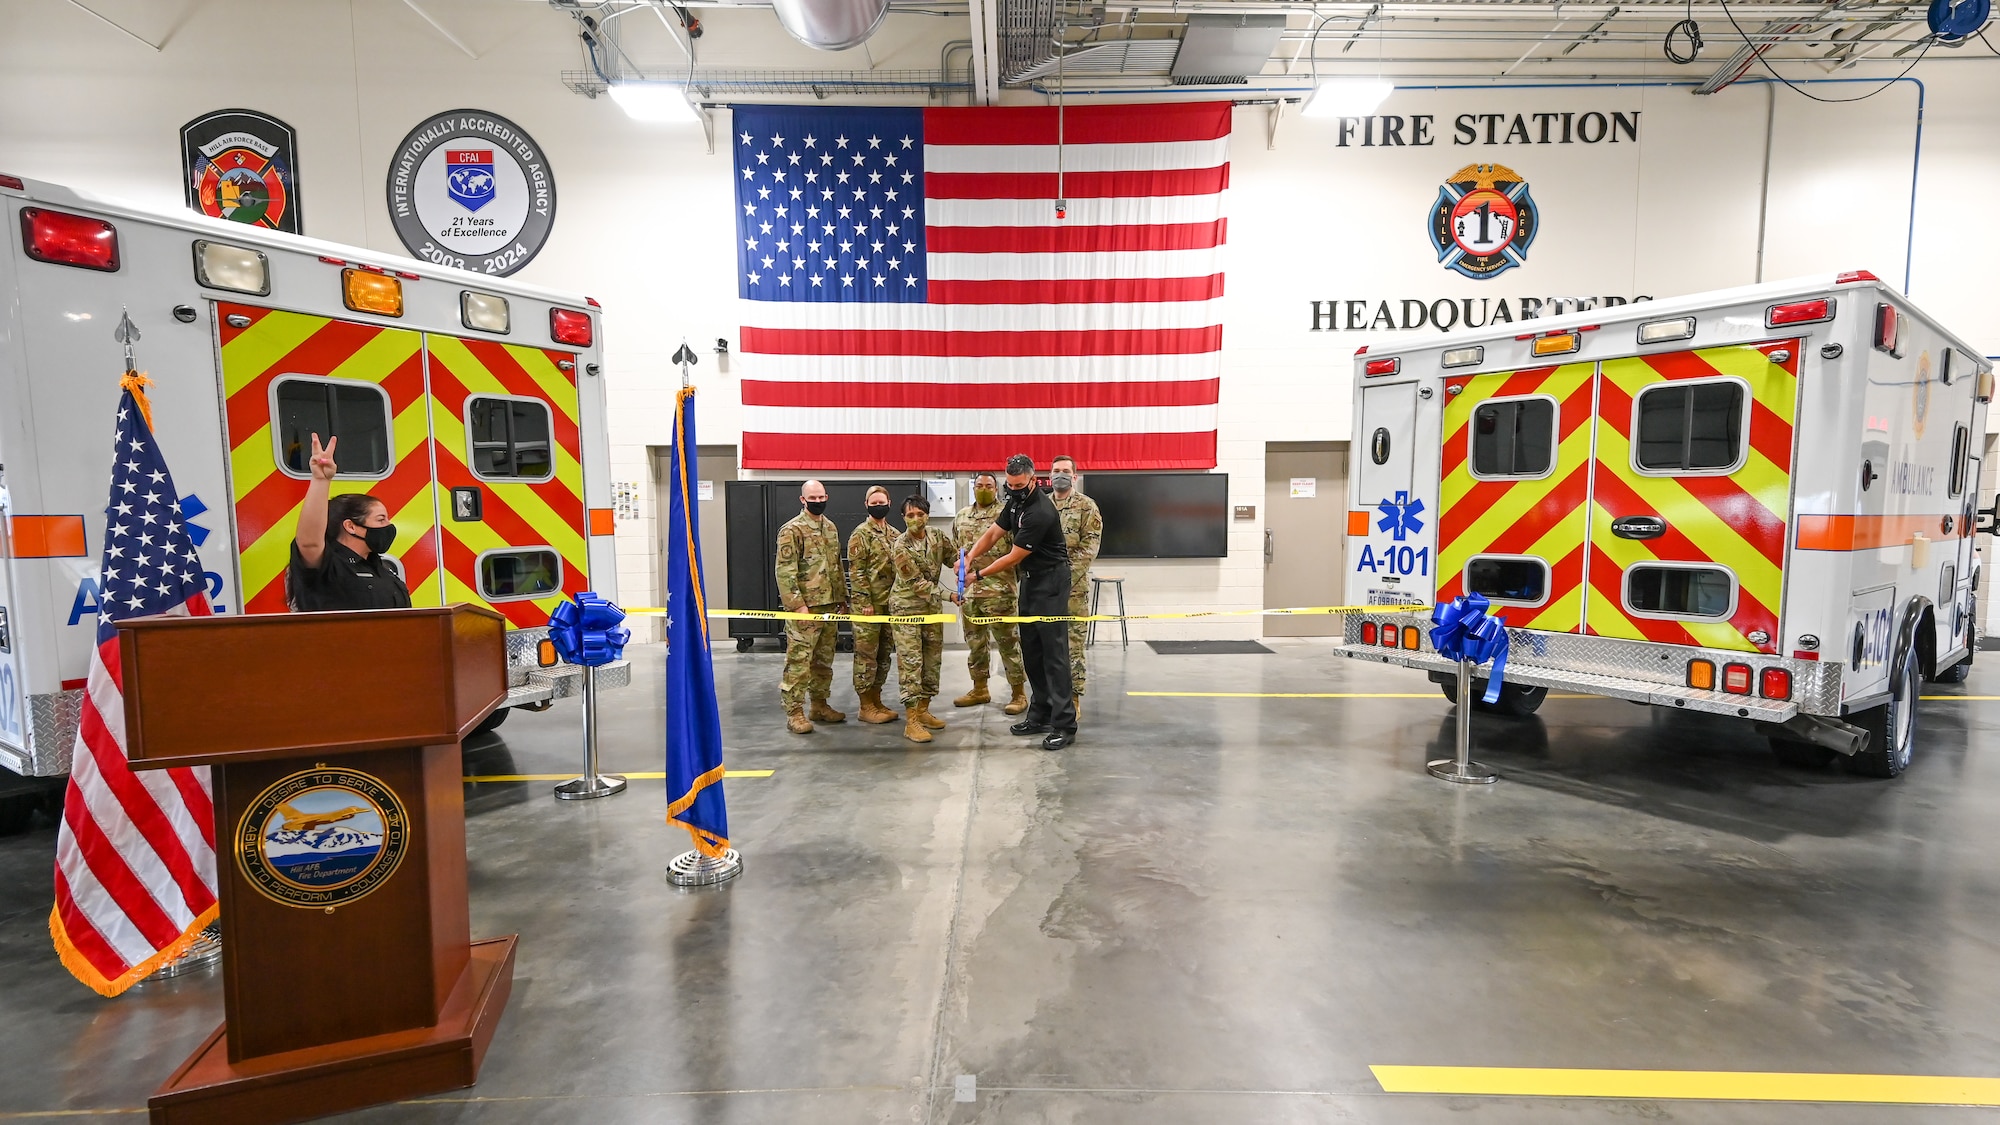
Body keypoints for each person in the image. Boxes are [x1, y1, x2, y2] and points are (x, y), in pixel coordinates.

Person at [961, 454, 1073, 751]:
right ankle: (1040, 714)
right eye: (1010, 485)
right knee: (1033, 651)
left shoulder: (1040, 511)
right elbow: (993, 532)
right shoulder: (1015, 502)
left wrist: (977, 574)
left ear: (1034, 480)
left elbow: (1013, 555)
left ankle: (1064, 724)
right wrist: (970, 555)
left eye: (1020, 485)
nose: (1014, 489)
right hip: (1031, 581)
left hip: (1051, 582)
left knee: (1055, 654)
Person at [290, 433, 412, 611]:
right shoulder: (329, 566)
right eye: (380, 519)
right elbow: (309, 543)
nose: (388, 526)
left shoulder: (382, 568)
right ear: (351, 526)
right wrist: (321, 480)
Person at [951, 472, 1028, 715]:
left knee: (1009, 645)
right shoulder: (962, 516)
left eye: (989, 486)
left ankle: (1018, 693)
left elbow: (1018, 550)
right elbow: (958, 551)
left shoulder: (1007, 514)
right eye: (979, 485)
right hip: (971, 594)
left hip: (1000, 590)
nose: (983, 489)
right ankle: (980, 688)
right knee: (975, 645)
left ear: (996, 489)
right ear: (973, 488)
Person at [775, 478, 846, 734]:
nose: (818, 502)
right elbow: (784, 571)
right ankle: (794, 712)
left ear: (826, 497)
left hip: (829, 606)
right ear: (803, 500)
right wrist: (797, 607)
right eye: (812, 498)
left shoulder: (830, 527)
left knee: (823, 661)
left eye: (821, 497)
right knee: (799, 662)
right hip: (805, 608)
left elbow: (836, 566)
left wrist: (842, 598)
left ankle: (819, 705)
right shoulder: (791, 530)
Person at [890, 494, 955, 743]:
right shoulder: (900, 546)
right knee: (911, 665)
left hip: (931, 611)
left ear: (928, 515)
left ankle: (924, 710)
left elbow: (952, 558)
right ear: (904, 518)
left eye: (920, 514)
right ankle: (911, 721)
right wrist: (950, 595)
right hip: (907, 611)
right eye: (910, 515)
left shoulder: (937, 536)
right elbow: (917, 584)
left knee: (931, 662)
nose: (916, 519)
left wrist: (962, 565)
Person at [1051, 455, 1103, 718]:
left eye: (1065, 471)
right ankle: (1051, 697)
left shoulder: (1086, 506)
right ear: (1049, 475)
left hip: (1073, 590)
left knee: (1072, 646)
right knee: (1048, 646)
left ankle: (1074, 697)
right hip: (1044, 590)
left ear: (1074, 477)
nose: (1060, 474)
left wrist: (1064, 577)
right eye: (1056, 470)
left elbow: (1089, 547)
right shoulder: (1041, 505)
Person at [846, 485, 901, 725]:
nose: (879, 506)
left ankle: (876, 699)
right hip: (868, 607)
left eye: (882, 502)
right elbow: (856, 573)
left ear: (889, 503)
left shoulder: (895, 534)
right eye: (874, 502)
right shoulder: (860, 534)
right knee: (866, 656)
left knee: (883, 654)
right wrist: (864, 602)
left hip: (889, 605)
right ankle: (865, 705)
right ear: (867, 505)